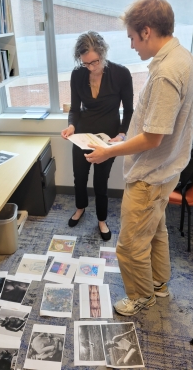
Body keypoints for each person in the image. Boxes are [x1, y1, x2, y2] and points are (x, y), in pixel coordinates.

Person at [85, 0, 193, 315]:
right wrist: (123, 138)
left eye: (133, 38)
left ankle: (140, 296)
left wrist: (109, 150)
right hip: (167, 168)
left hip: (151, 173)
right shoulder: (182, 58)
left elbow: (152, 137)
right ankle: (159, 285)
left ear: (146, 31)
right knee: (155, 230)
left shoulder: (165, 72)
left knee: (130, 244)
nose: (133, 45)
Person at [61, 31, 133, 241]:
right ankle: (80, 207)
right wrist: (71, 126)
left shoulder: (121, 74)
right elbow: (74, 109)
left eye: (95, 62)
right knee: (79, 177)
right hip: (82, 134)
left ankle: (102, 220)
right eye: (86, 63)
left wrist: (121, 134)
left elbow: (128, 110)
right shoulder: (78, 75)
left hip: (107, 138)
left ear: (103, 53)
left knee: (101, 181)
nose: (91, 67)